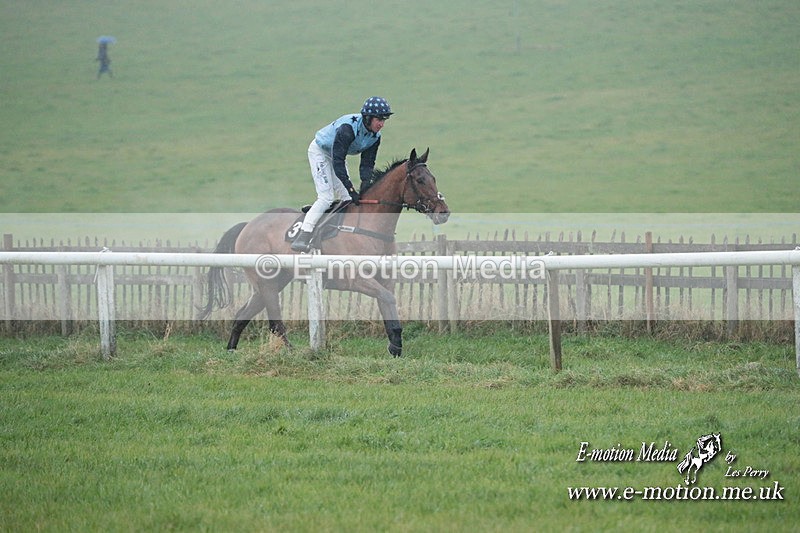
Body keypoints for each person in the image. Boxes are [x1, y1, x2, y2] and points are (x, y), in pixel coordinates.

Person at [291, 96, 393, 253]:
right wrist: (352, 189)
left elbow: (367, 165)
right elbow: (338, 163)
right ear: (368, 118)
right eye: (379, 119)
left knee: (347, 200)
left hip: (337, 155)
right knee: (326, 197)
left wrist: (364, 188)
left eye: (384, 120)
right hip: (320, 152)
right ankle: (304, 235)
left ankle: (328, 223)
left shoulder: (375, 137)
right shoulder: (347, 129)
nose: (382, 124)